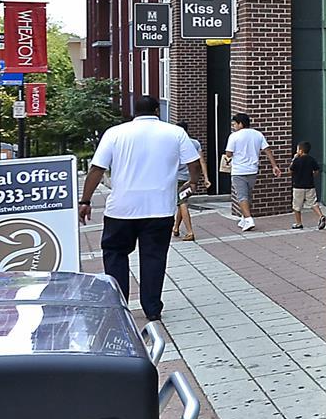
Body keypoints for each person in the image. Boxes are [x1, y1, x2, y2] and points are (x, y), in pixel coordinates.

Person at [79, 95, 207, 322]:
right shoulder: (175, 133)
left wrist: (85, 201)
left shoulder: (115, 133)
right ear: (157, 110)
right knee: (154, 257)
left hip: (121, 209)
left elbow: (97, 169)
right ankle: (152, 308)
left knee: (115, 254)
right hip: (160, 209)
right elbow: (194, 162)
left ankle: (120, 304)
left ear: (134, 111)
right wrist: (193, 181)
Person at [224, 112, 269, 230]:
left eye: (235, 124)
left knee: (241, 196)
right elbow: (267, 150)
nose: (234, 127)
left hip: (239, 170)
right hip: (253, 170)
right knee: (248, 195)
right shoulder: (258, 134)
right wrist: (274, 166)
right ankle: (244, 218)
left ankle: (249, 220)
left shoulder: (234, 136)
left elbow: (228, 153)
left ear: (241, 124)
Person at [291, 141, 326, 231]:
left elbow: (291, 170)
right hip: (310, 185)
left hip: (298, 186)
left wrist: (294, 159)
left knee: (296, 206)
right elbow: (316, 171)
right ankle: (321, 216)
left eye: (297, 150)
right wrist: (312, 175)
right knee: (313, 203)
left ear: (301, 151)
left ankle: (299, 223)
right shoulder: (312, 159)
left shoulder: (297, 160)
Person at [173, 159, 198, 241]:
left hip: (177, 178)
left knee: (182, 203)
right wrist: (194, 181)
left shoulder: (174, 146)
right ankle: (176, 228)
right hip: (188, 178)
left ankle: (190, 232)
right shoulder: (195, 145)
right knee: (181, 202)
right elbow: (199, 162)